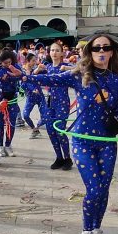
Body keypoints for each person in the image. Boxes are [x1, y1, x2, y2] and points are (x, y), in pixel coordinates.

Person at [23, 34, 118, 234]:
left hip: (107, 142)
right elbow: (50, 79)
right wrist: (26, 78)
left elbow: (116, 110)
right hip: (82, 141)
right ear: (90, 52)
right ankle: (86, 231)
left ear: (112, 51)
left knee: (103, 190)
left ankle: (96, 228)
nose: (101, 51)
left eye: (106, 48)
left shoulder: (115, 79)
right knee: (94, 189)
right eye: (96, 48)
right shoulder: (78, 75)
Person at [43, 42, 73, 170]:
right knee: (50, 130)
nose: (54, 53)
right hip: (50, 102)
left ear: (62, 53)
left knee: (60, 130)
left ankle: (67, 158)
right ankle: (58, 157)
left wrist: (67, 69)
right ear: (49, 53)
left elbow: (82, 68)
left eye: (57, 50)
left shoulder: (65, 66)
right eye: (52, 50)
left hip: (62, 102)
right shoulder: (48, 67)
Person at [0, 49, 23, 157]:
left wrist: (14, 76)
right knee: (0, 124)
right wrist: (1, 79)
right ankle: (0, 146)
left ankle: (8, 145)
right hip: (1, 100)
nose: (8, 65)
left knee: (11, 122)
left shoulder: (15, 66)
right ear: (0, 62)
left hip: (13, 98)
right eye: (5, 63)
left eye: (9, 62)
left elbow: (23, 76)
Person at [20, 53, 48, 139]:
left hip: (40, 97)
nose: (35, 62)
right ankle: (34, 129)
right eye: (33, 61)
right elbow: (22, 85)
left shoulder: (35, 70)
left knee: (46, 116)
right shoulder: (22, 72)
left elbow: (42, 73)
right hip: (30, 98)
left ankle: (36, 128)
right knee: (25, 115)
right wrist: (32, 90)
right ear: (27, 61)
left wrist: (44, 68)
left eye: (35, 60)